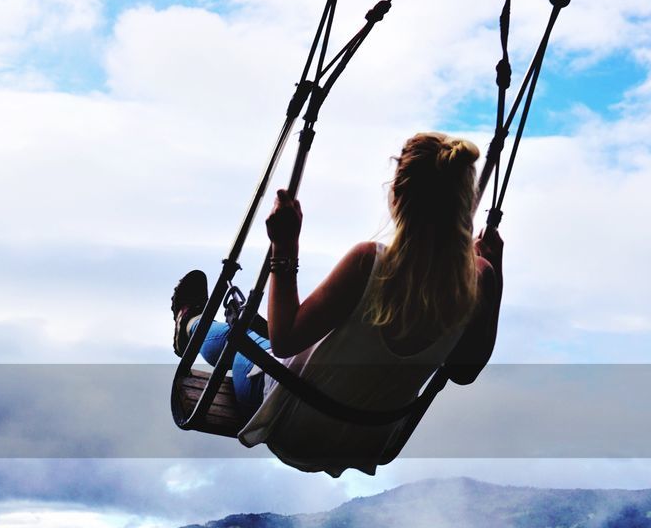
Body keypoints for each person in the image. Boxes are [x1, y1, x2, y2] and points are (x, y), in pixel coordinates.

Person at [171, 132, 504, 475]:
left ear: (398, 196)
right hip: (362, 441)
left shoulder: (369, 263)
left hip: (294, 426)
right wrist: (497, 268)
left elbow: (286, 340)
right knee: (272, 338)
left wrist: (285, 247)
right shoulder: (480, 278)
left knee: (239, 341)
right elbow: (465, 371)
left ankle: (191, 321)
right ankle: (234, 326)